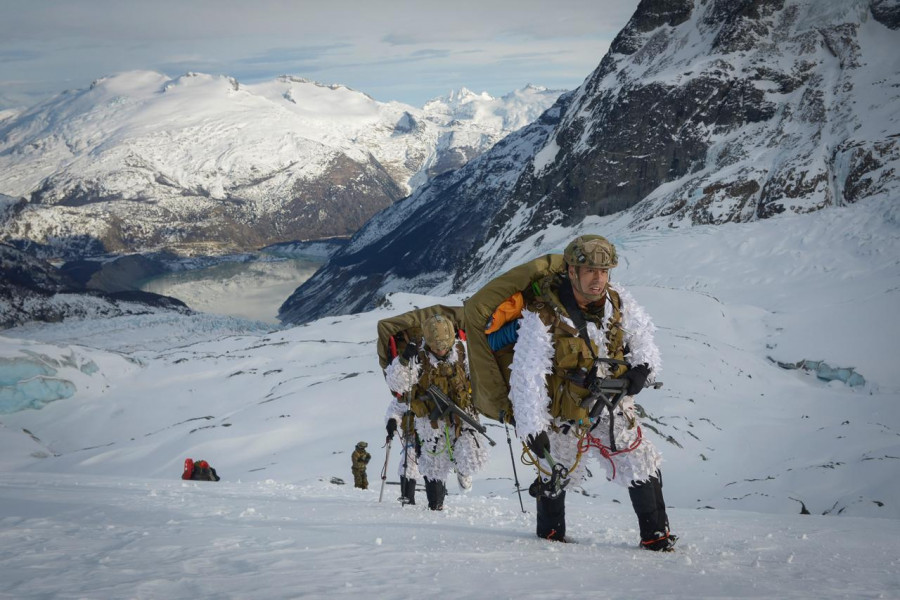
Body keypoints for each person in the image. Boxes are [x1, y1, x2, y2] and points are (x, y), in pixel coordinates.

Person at [481, 234, 675, 550]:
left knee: (641, 461)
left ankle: (657, 536)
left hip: (612, 402)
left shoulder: (620, 302)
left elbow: (644, 343)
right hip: (564, 411)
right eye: (590, 271)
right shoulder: (543, 314)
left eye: (604, 271)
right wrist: (533, 428)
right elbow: (528, 374)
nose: (598, 278)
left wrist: (641, 370)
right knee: (555, 472)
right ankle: (551, 537)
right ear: (572, 271)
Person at [384, 313, 489, 510]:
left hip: (461, 414)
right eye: (436, 346)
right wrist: (405, 359)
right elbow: (397, 383)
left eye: (444, 345)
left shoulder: (463, 351)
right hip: (430, 421)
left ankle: (462, 469)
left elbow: (479, 375)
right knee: (433, 467)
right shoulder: (418, 357)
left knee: (472, 458)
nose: (440, 350)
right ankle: (436, 507)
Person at [385, 398, 420, 504]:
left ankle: (436, 503)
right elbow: (395, 409)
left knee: (434, 467)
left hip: (428, 434)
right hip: (410, 435)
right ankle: (407, 497)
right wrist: (392, 420)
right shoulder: (407, 395)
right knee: (408, 464)